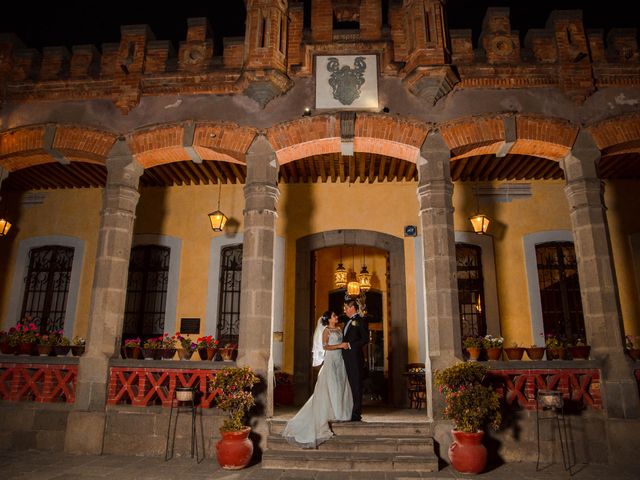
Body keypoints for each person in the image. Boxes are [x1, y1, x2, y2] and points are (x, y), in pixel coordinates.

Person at [282, 310, 353, 448]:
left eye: (335, 315)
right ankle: (334, 413)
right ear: (328, 319)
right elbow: (325, 346)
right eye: (334, 315)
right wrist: (340, 346)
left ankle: (342, 412)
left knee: (341, 385)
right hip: (331, 360)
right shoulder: (326, 331)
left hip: (340, 360)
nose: (336, 316)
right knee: (331, 386)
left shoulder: (339, 329)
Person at [342, 298, 369, 422]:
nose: (345, 310)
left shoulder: (361, 321)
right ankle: (349, 410)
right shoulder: (347, 322)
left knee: (356, 385)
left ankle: (356, 413)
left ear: (352, 308)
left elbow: (365, 339)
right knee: (348, 385)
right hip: (346, 359)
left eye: (346, 308)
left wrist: (351, 345)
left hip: (355, 359)